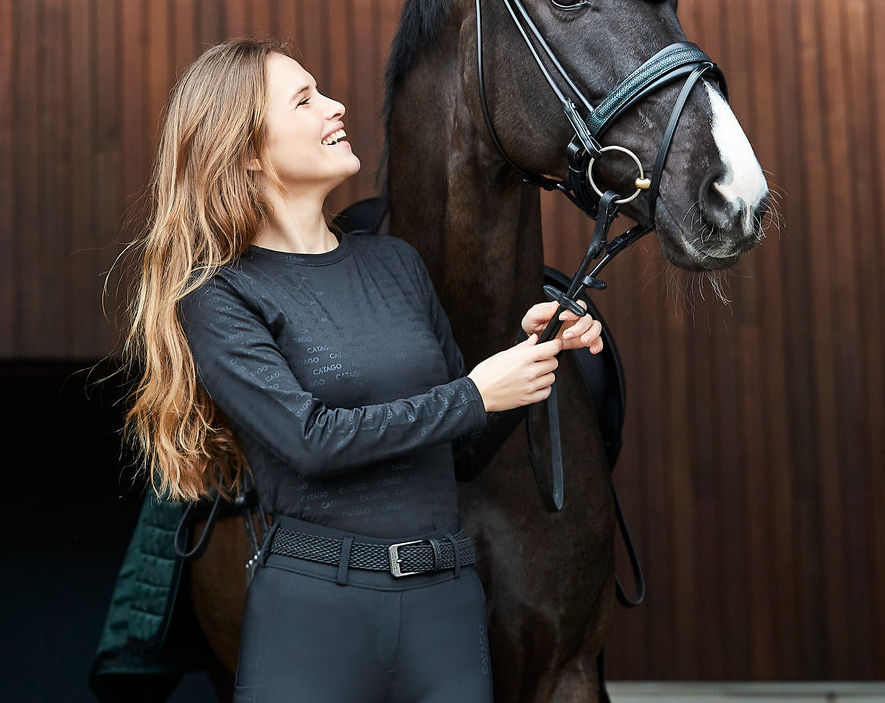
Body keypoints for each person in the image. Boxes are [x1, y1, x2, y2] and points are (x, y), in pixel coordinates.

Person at [123, 38, 603, 703]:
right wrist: (473, 391)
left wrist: (533, 361)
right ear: (247, 153)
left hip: (446, 608)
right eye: (304, 99)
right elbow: (311, 440)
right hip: (315, 614)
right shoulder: (221, 297)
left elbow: (461, 451)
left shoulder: (396, 265)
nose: (336, 105)